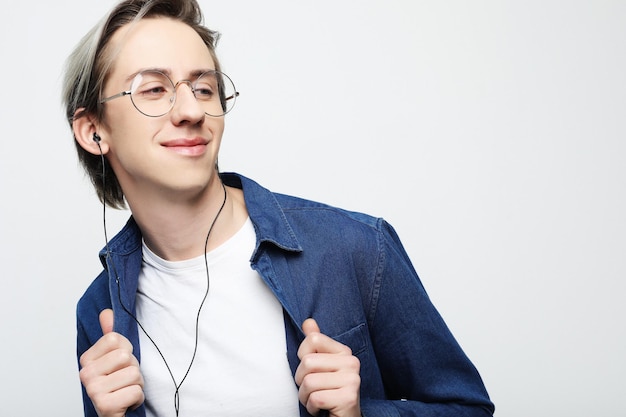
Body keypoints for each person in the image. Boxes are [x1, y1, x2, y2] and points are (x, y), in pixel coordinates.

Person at [63, 0, 495, 416]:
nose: (192, 110)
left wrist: (356, 414)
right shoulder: (98, 311)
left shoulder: (354, 249)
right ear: (94, 131)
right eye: (154, 89)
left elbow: (468, 408)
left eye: (204, 87)